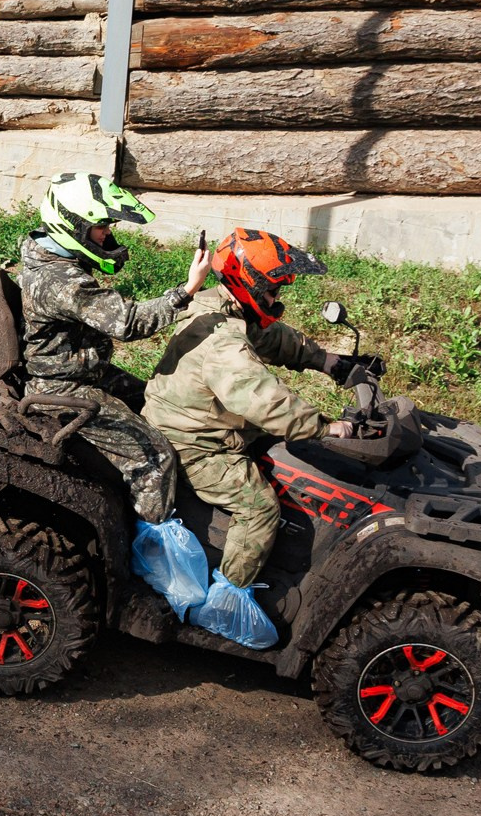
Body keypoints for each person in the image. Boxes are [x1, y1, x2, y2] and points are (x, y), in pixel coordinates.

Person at [144, 227, 373, 592]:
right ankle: (227, 599)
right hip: (194, 444)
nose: (276, 297)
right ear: (247, 285)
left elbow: (270, 337)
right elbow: (264, 400)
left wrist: (328, 361)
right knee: (260, 507)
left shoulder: (216, 305)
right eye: (272, 290)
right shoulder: (224, 347)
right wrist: (325, 428)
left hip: (196, 417)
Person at [16, 174, 212, 525]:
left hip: (80, 370)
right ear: (71, 225)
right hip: (62, 387)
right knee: (154, 456)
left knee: (160, 399)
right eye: (101, 225)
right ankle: (148, 550)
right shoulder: (62, 282)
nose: (107, 232)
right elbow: (129, 322)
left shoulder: (45, 256)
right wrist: (186, 291)